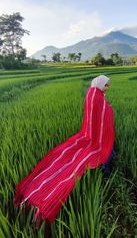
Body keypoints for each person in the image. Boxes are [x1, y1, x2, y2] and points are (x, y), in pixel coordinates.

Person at [13, 74, 115, 227]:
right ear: (100, 84)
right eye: (106, 85)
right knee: (96, 153)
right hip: (95, 139)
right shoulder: (98, 97)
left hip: (88, 134)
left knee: (67, 154)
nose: (108, 87)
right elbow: (102, 116)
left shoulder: (91, 93)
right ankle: (105, 172)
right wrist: (109, 109)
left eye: (108, 85)